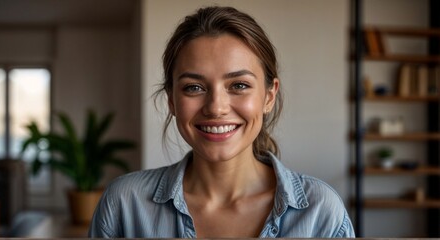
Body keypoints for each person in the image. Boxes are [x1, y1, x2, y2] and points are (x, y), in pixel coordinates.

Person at [89, 6, 355, 238]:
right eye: (194, 87)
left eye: (238, 85)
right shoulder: (124, 205)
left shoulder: (321, 210)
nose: (216, 107)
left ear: (269, 96)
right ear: (171, 100)